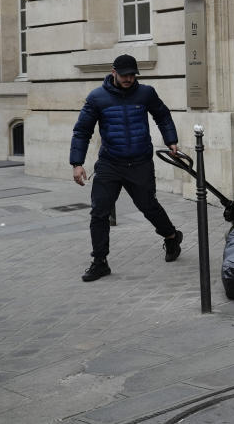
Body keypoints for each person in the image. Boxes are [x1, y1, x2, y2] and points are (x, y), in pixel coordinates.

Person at [70, 54, 184, 282]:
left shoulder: (146, 93)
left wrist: (171, 139)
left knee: (148, 205)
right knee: (99, 212)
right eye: (125, 75)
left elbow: (162, 115)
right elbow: (82, 130)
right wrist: (77, 163)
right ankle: (100, 262)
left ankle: (171, 236)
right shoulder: (97, 97)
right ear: (113, 72)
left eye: (133, 75)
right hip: (110, 163)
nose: (129, 79)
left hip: (140, 162)